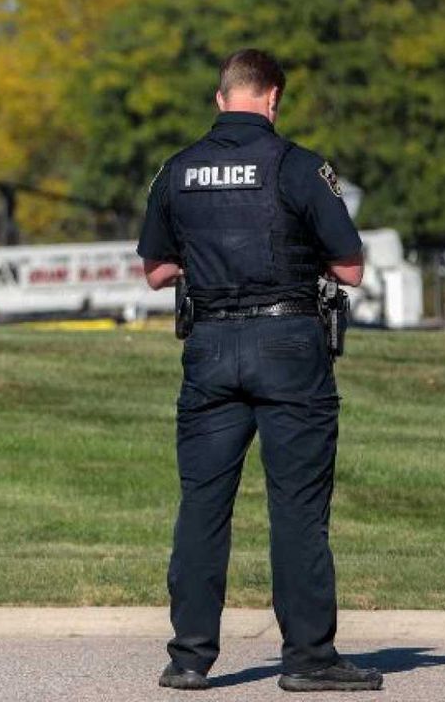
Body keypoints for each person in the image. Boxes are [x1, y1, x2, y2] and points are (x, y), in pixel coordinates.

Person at [137, 49, 383, 692]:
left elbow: (158, 271)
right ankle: (308, 660)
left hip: (210, 348)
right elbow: (351, 269)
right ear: (272, 97)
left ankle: (189, 658)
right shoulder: (299, 168)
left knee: (202, 506)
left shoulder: (177, 170)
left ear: (222, 98)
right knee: (297, 508)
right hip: (289, 347)